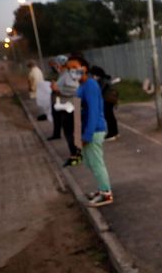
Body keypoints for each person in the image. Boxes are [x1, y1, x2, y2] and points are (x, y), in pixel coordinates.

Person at [67, 56, 114, 207]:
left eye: (74, 67)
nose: (71, 71)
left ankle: (106, 194)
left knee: (96, 163)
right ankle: (101, 190)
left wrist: (86, 135)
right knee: (90, 163)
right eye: (69, 69)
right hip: (86, 130)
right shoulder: (81, 86)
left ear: (84, 68)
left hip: (94, 130)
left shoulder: (90, 85)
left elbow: (93, 111)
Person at [88, 65, 120, 141]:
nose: (92, 76)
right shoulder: (105, 79)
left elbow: (99, 91)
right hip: (110, 99)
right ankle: (115, 132)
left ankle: (112, 133)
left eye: (93, 75)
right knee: (110, 116)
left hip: (107, 99)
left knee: (108, 116)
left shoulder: (102, 81)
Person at [47, 55, 68, 141]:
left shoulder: (64, 73)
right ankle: (57, 133)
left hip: (62, 98)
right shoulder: (59, 72)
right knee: (56, 116)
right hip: (57, 97)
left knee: (63, 118)